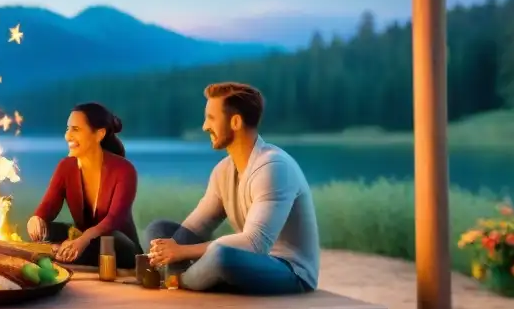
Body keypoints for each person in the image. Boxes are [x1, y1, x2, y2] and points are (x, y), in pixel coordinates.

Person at [145, 82, 319, 295]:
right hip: (246, 261)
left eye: (211, 118)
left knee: (221, 256)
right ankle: (195, 276)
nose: (204, 126)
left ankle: (179, 279)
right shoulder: (224, 170)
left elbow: (254, 244)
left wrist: (181, 252)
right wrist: (169, 247)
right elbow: (195, 227)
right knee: (159, 231)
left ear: (235, 122)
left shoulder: (273, 167)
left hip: (288, 271)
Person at [27, 102, 143, 268]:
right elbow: (49, 205)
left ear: (99, 134)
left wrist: (83, 239)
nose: (67, 136)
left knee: (110, 240)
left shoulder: (124, 170)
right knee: (46, 231)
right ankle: (57, 251)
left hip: (119, 246)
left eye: (76, 129)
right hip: (82, 239)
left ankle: (55, 252)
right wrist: (37, 218)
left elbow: (114, 219)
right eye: (68, 129)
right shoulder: (65, 166)